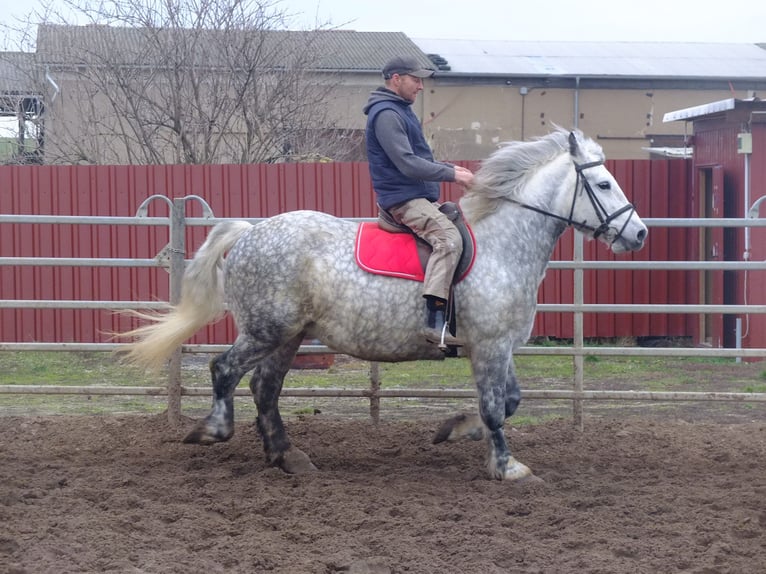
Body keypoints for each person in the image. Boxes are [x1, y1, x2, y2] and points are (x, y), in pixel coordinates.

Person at [363, 55, 475, 347]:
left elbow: (420, 159)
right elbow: (408, 164)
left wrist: (453, 169)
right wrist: (452, 174)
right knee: (449, 239)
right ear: (396, 79)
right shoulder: (387, 114)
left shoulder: (401, 110)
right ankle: (434, 322)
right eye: (416, 79)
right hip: (404, 200)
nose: (421, 86)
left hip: (416, 196)